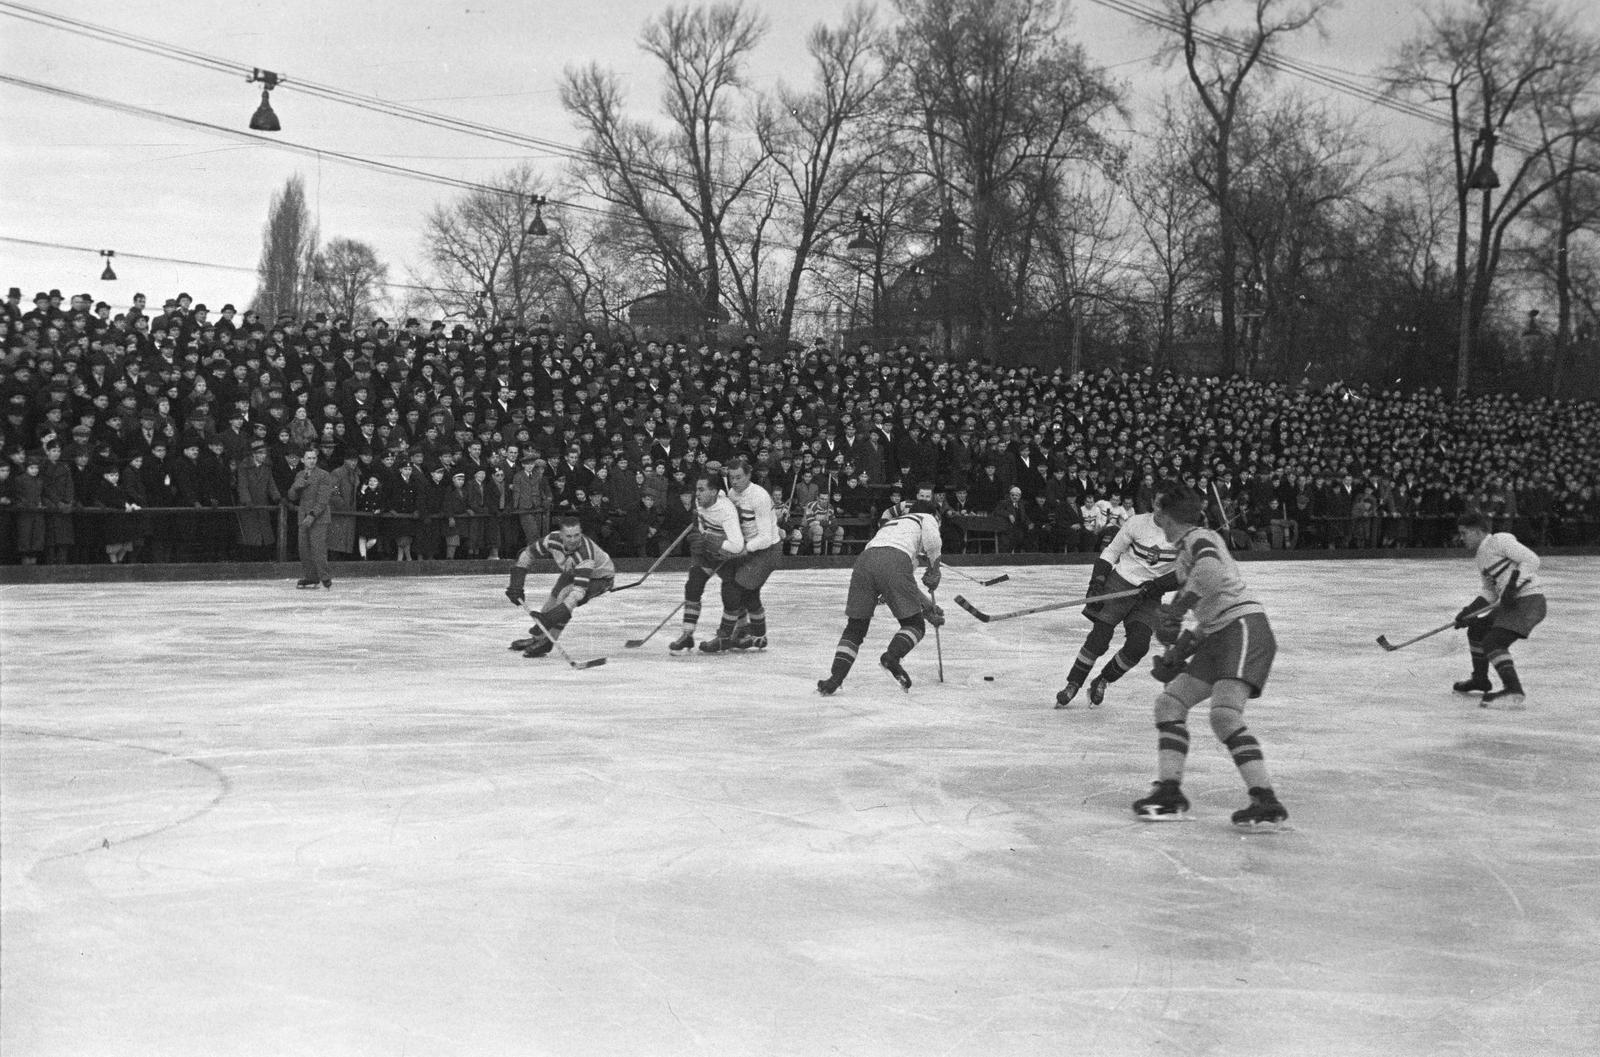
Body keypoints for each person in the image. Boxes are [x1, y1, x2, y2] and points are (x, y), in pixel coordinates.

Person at [1132, 483, 1287, 828]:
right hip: (1221, 633)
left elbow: (1211, 575)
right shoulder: (1189, 546)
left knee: (1225, 714)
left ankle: (1265, 799)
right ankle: (1169, 791)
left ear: (1165, 515)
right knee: (1170, 704)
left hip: (1243, 627)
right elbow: (1209, 612)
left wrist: (1176, 610)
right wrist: (1180, 650)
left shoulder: (1198, 538)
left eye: (1157, 508)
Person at [1056, 496, 1180, 709]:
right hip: (1119, 584)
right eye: (1158, 504)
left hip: (1149, 596)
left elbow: (1185, 573)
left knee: (1138, 646)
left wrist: (1158, 585)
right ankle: (1073, 683)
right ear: (1153, 503)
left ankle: (1102, 680)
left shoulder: (1182, 534)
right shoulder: (1137, 523)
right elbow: (1111, 552)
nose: (1161, 510)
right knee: (1099, 639)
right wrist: (1097, 581)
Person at [816, 497, 944, 695]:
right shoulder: (925, 518)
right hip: (895, 561)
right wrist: (935, 570)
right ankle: (892, 657)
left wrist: (927, 607)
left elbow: (905, 585)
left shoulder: (894, 524)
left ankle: (835, 678)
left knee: (855, 628)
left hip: (864, 562)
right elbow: (933, 543)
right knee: (915, 625)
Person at [1451, 510, 1546, 708]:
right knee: (1477, 629)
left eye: (1464, 533)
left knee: (1494, 642)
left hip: (1529, 600)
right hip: (1511, 603)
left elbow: (1532, 559)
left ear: (1477, 532)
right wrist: (1469, 611)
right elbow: (1490, 592)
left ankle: (1514, 690)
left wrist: (1513, 584)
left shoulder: (1500, 540)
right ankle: (1480, 679)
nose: (1461, 538)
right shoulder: (1480, 558)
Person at [700, 455, 782, 653]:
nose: (735, 481)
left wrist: (744, 549)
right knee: (749, 594)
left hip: (766, 551)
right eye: (732, 477)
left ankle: (724, 637)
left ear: (749, 475)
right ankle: (758, 637)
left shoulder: (759, 497)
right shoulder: (732, 493)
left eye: (739, 477)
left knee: (734, 590)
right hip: (749, 548)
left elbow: (765, 537)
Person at [504, 515, 616, 658]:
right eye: (568, 536)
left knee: (564, 597)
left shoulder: (585, 556)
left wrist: (553, 617)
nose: (573, 540)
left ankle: (548, 642)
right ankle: (539, 639)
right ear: (561, 535)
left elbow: (578, 593)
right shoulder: (552, 539)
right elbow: (527, 554)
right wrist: (516, 584)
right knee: (552, 601)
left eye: (577, 535)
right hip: (572, 571)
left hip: (600, 578)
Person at [668, 471, 746, 653]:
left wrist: (712, 541)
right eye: (697, 489)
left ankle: (731, 634)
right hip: (707, 553)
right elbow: (699, 522)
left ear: (713, 492)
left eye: (701, 490)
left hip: (728, 554)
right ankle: (687, 635)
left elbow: (737, 546)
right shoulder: (701, 501)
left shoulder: (726, 511)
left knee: (731, 594)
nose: (697, 494)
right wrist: (697, 533)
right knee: (693, 586)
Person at [287, 446, 335, 588]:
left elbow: (323, 499)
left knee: (318, 548)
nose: (312, 461)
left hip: (319, 518)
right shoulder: (300, 475)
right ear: (302, 460)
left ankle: (325, 577)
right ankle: (311, 577)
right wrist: (295, 487)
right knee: (304, 549)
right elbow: (292, 497)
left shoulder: (323, 475)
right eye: (309, 458)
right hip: (303, 516)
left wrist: (312, 515)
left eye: (314, 458)